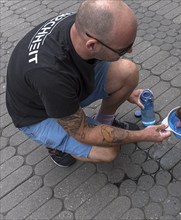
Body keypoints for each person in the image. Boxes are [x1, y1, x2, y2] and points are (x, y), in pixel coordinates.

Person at [6, 0, 171, 167]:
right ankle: (57, 146)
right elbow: (81, 131)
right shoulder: (51, 75)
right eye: (122, 49)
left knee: (128, 73)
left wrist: (126, 92)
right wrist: (143, 135)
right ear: (92, 45)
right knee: (109, 150)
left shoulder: (82, 26)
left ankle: (104, 121)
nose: (130, 51)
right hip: (38, 115)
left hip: (61, 91)